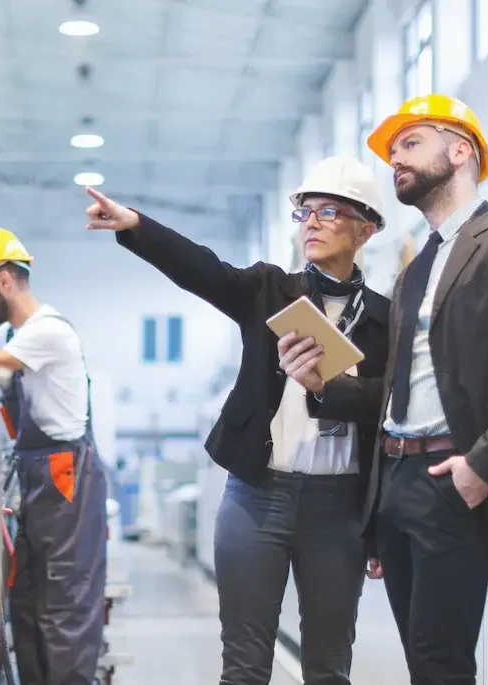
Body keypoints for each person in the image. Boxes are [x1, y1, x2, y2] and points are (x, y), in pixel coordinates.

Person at [279, 93, 488, 685]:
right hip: (396, 483)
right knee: (424, 664)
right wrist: (325, 387)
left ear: (460, 150)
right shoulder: (416, 270)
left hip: (455, 476)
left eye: (410, 144)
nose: (397, 159)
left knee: (442, 665)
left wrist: (483, 468)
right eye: (393, 152)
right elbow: (398, 393)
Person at [83, 157, 392, 685]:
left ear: (365, 229)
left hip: (338, 510)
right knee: (244, 668)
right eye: (304, 213)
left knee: (329, 669)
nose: (312, 222)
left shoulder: (387, 319)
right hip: (257, 497)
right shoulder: (270, 290)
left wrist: (379, 526)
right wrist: (138, 227)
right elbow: (203, 270)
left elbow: (388, 410)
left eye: (329, 212)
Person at [0, 226, 107, 685]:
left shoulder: (46, 331)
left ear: (4, 281)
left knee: (63, 606)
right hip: (35, 477)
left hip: (66, 478)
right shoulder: (8, 334)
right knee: (28, 601)